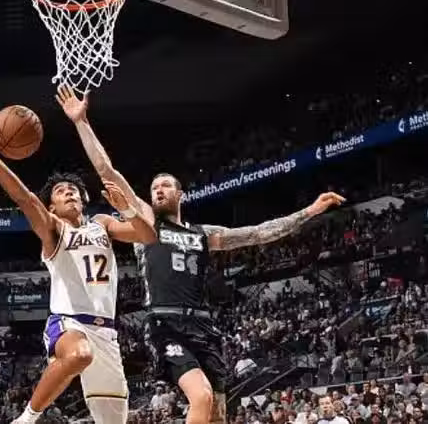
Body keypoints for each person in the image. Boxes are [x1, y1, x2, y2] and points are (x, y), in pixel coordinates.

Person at [55, 85, 345, 424]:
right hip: (165, 322)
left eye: (165, 186)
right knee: (201, 396)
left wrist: (309, 211)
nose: (157, 190)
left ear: (181, 194)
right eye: (154, 188)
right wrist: (81, 122)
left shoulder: (203, 234)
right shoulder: (146, 222)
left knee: (217, 414)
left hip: (203, 325)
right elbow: (107, 171)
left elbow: (258, 233)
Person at [0, 116, 157, 424]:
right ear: (51, 206)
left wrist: (127, 209)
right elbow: (24, 198)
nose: (70, 192)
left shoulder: (102, 224)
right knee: (79, 354)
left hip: (107, 332)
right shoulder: (53, 229)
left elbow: (147, 236)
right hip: (68, 322)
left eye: (74, 189)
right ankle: (26, 419)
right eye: (61, 191)